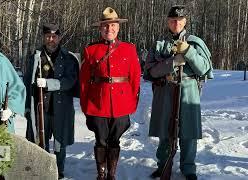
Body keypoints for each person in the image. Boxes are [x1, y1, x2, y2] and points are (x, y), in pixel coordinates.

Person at [144, 5, 213, 180]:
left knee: (188, 133)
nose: (176, 23)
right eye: (173, 20)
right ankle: (163, 166)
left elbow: (204, 69)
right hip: (165, 91)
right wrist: (173, 61)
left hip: (189, 92)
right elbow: (150, 71)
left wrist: (188, 52)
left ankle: (188, 168)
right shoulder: (159, 44)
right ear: (168, 22)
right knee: (165, 132)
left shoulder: (196, 42)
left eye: (180, 20)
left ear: (185, 21)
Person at [80, 7, 141, 180]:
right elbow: (84, 81)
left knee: (115, 141)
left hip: (122, 104)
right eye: (105, 26)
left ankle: (111, 174)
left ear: (118, 27)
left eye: (113, 25)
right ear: (100, 29)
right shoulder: (90, 50)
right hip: (98, 104)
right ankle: (101, 174)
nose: (109, 29)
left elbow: (135, 78)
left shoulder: (129, 49)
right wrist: (86, 106)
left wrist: (132, 102)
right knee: (101, 141)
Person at [24, 23, 79, 179]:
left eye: (54, 36)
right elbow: (27, 81)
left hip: (61, 108)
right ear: (44, 37)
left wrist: (49, 84)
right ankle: (44, 169)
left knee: (59, 143)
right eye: (48, 36)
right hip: (40, 107)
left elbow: (70, 81)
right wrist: (27, 106)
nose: (51, 39)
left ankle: (59, 171)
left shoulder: (68, 57)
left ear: (59, 38)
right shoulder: (35, 56)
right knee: (40, 141)